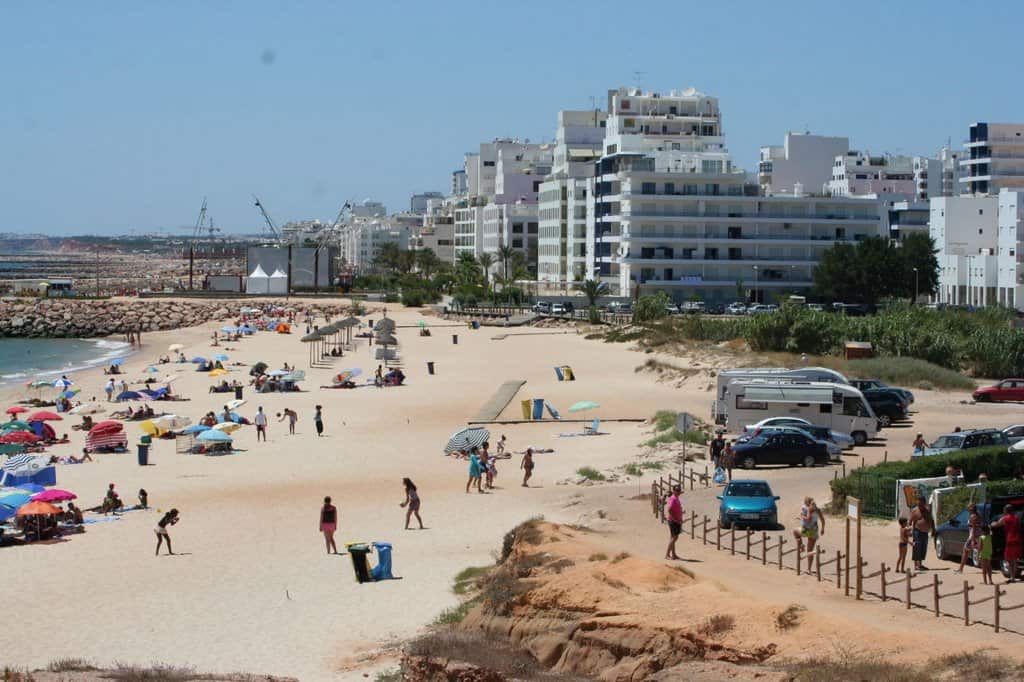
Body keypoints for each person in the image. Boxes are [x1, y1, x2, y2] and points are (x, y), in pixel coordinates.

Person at [990, 504, 1021, 583]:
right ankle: (1013, 576)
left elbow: (996, 525)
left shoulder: (1005, 518)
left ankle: (1012, 577)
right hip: (1017, 540)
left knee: (1008, 559)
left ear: (1006, 510)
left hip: (1010, 540)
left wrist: (991, 524)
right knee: (1014, 560)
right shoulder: (1017, 518)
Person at [793, 497, 824, 571]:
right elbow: (823, 520)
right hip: (815, 531)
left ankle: (801, 546)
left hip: (807, 530)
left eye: (805, 502)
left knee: (795, 531)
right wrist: (823, 529)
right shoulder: (818, 509)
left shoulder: (810, 509)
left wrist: (801, 516)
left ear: (808, 502)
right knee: (810, 550)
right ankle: (809, 568)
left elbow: (808, 518)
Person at [908, 496, 934, 572]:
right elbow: (910, 522)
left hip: (925, 532)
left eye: (921, 503)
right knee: (917, 548)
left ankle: (920, 564)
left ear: (924, 503)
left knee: (923, 548)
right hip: (917, 532)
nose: (920, 505)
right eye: (919, 503)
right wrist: (908, 531)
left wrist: (933, 529)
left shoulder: (927, 510)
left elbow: (931, 520)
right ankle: (916, 565)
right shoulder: (914, 511)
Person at [956, 502, 982, 573]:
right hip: (978, 535)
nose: (967, 507)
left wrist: (973, 540)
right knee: (979, 551)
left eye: (969, 506)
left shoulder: (972, 516)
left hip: (973, 536)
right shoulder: (978, 515)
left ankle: (960, 569)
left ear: (971, 508)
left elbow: (973, 528)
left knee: (965, 550)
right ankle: (961, 568)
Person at [664, 484, 683, 560]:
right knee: (674, 537)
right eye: (677, 490)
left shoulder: (676, 498)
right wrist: (675, 518)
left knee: (673, 537)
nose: (678, 492)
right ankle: (667, 554)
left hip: (676, 520)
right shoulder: (673, 499)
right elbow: (669, 509)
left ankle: (673, 554)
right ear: (674, 491)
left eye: (679, 490)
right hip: (673, 521)